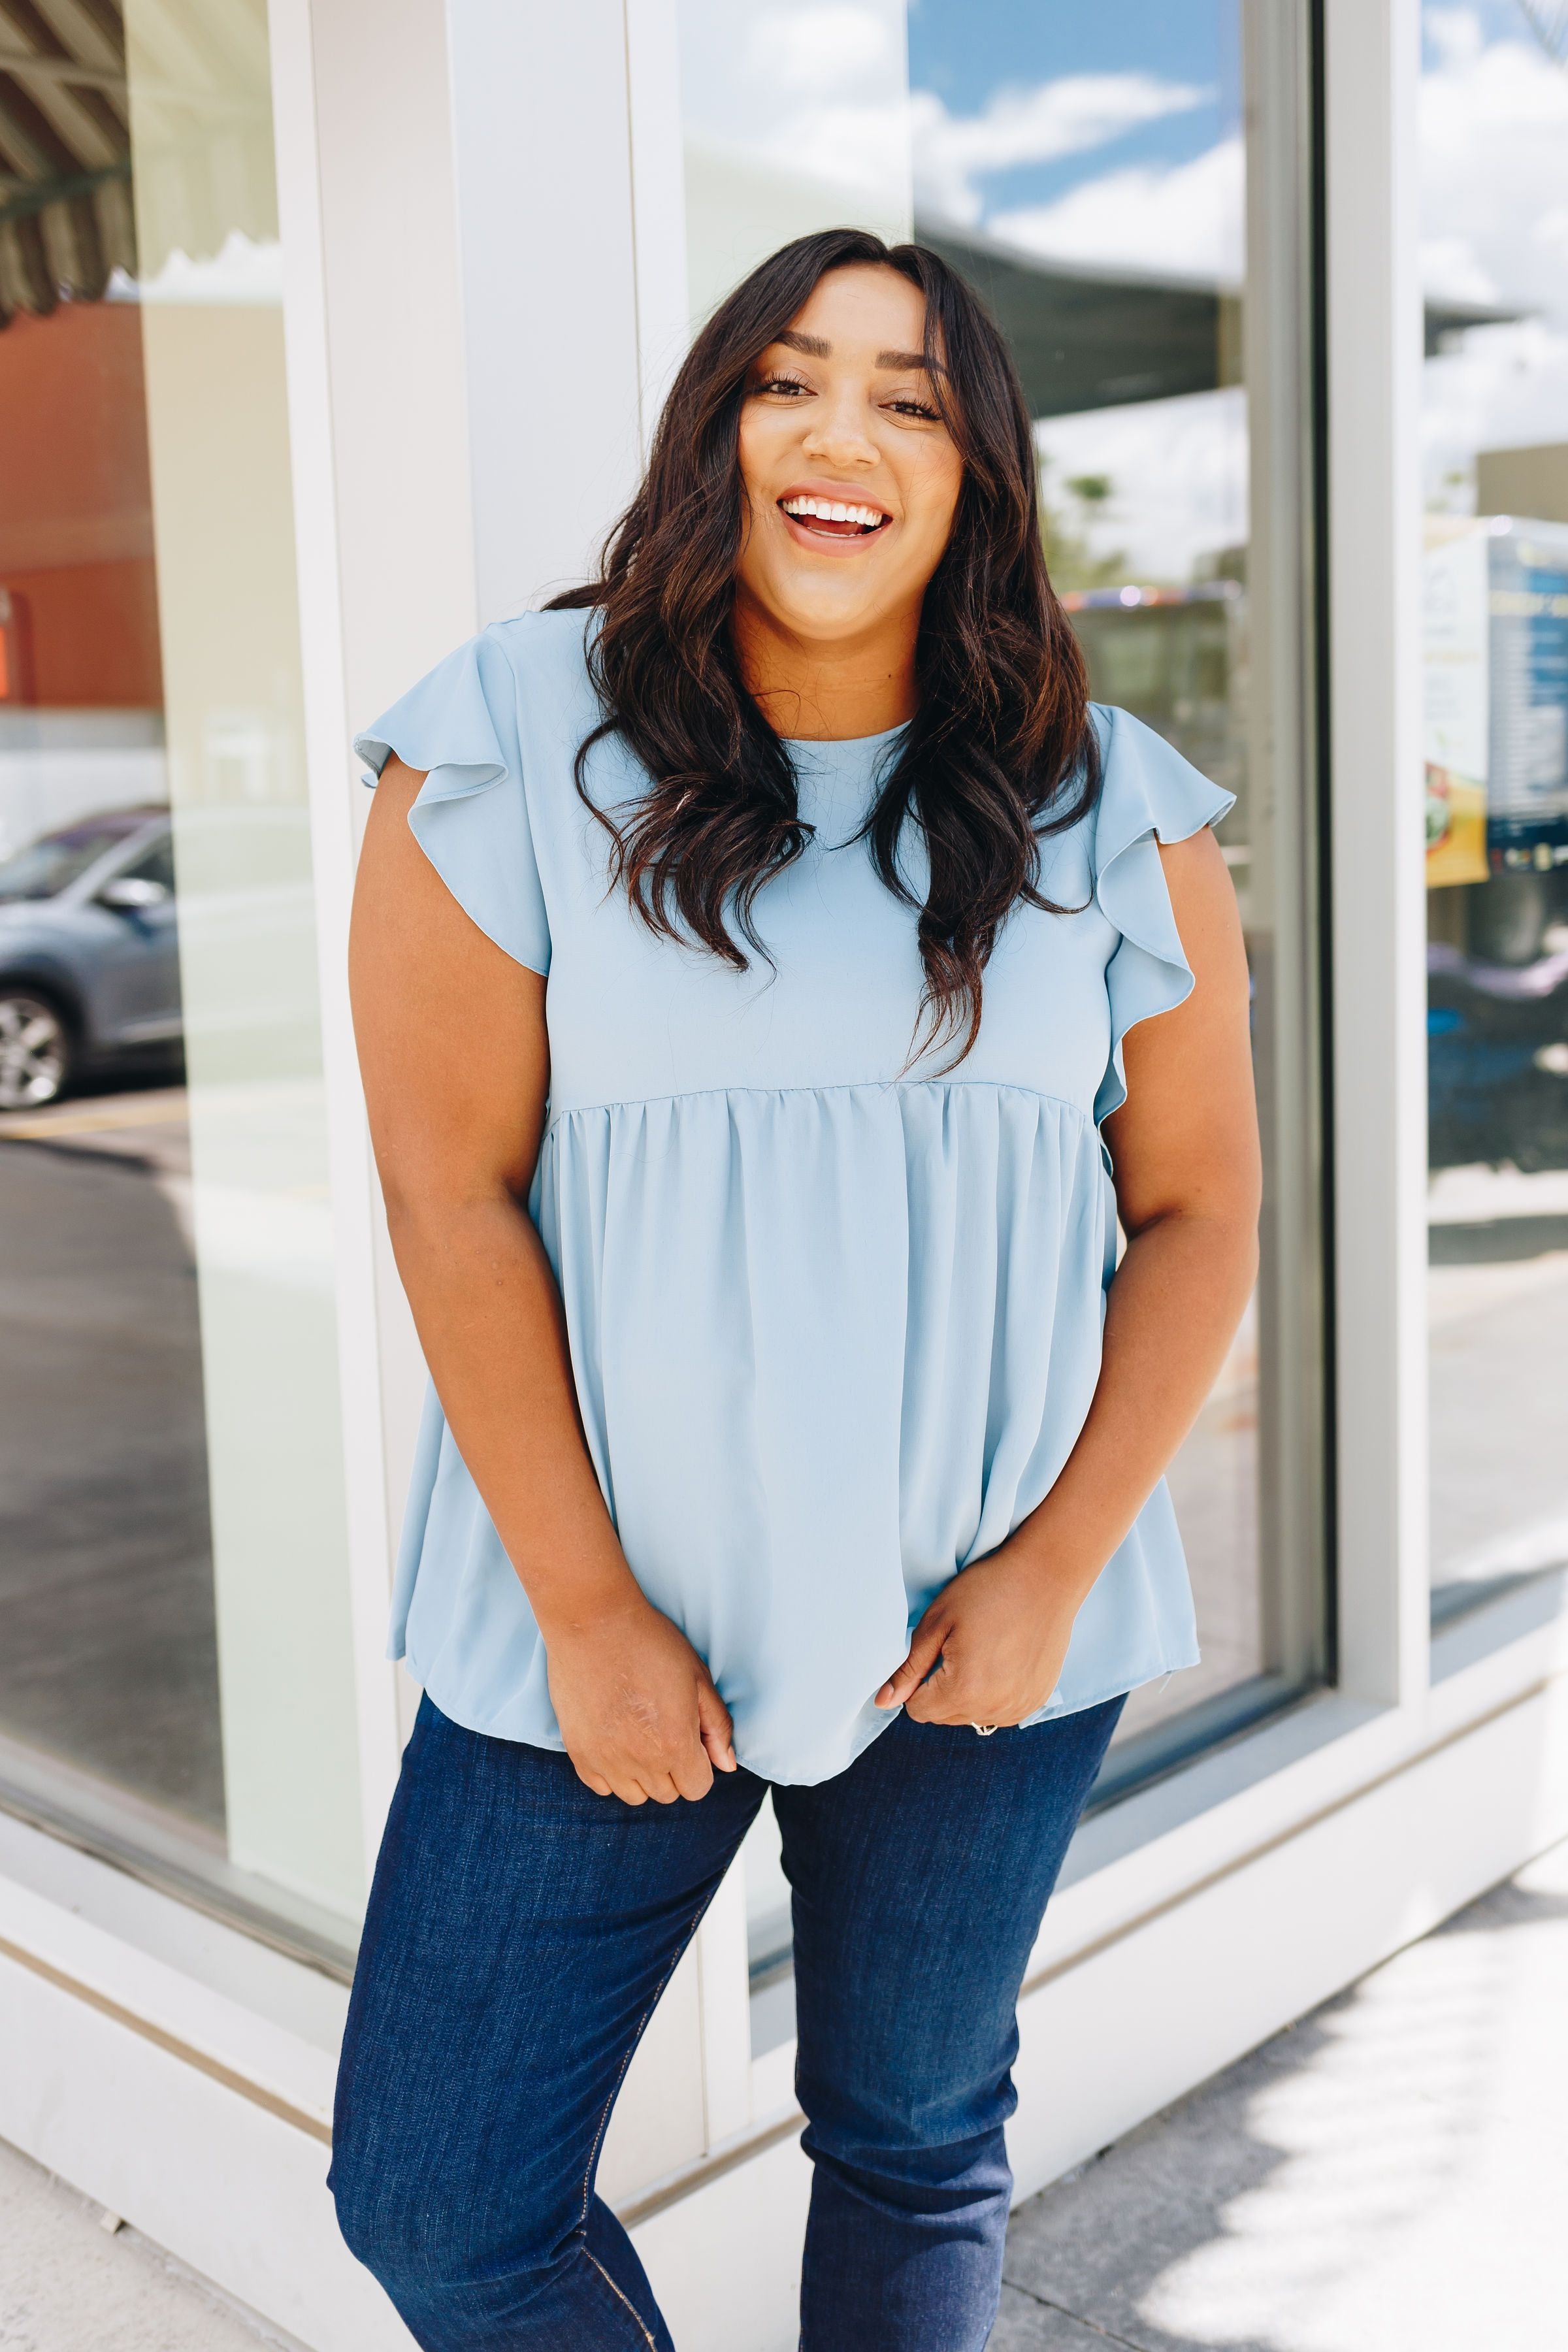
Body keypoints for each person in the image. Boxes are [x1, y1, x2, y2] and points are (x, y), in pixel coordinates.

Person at [329, 227, 1259, 2352]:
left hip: (986, 1632)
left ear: (979, 478)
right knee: (440, 2205)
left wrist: (1054, 1569)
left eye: (914, 399)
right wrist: (587, 1615)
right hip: (598, 1625)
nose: (844, 434)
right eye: (790, 379)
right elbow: (444, 1192)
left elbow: (1202, 1213)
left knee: (918, 2135)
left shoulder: (1107, 803)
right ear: (716, 431)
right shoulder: (509, 735)